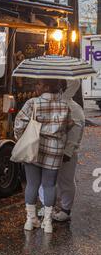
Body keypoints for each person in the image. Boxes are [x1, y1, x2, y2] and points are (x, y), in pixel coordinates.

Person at [14, 79, 74, 234]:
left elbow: (19, 123)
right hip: (54, 150)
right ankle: (47, 222)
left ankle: (30, 220)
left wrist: (20, 138)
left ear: (47, 86)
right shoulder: (64, 105)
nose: (36, 87)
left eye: (38, 84)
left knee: (32, 184)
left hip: (34, 148)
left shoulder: (32, 103)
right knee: (49, 185)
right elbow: (69, 125)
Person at [38, 80, 85, 221]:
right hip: (50, 150)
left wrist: (68, 152)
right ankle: (47, 205)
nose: (60, 88)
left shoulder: (74, 108)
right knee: (47, 180)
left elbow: (76, 131)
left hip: (65, 153)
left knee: (65, 180)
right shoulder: (54, 103)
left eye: (62, 85)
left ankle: (65, 209)